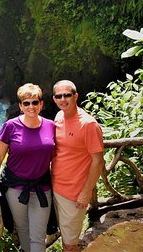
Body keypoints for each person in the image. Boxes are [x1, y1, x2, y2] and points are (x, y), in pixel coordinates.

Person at [0, 83, 56, 252]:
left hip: (42, 187)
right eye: (26, 103)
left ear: (41, 104)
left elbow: (58, 155)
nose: (31, 107)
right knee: (23, 230)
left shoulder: (51, 125)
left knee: (38, 236)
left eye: (35, 102)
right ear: (20, 106)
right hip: (15, 188)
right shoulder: (10, 126)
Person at [51, 80, 105, 252]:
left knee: (70, 245)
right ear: (54, 99)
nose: (63, 99)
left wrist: (86, 192)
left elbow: (98, 161)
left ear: (75, 96)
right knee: (62, 236)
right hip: (54, 187)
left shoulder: (88, 124)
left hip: (74, 194)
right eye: (59, 96)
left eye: (67, 95)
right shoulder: (59, 117)